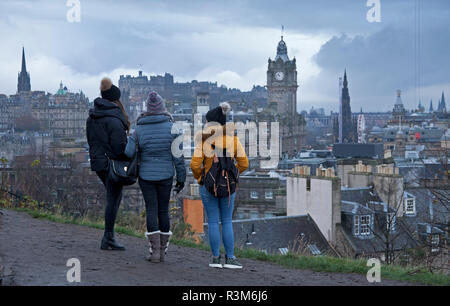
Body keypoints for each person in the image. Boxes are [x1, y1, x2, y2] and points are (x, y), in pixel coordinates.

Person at [125, 91, 186, 263]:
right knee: (163, 210)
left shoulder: (138, 129)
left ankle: (154, 252)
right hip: (166, 175)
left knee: (151, 210)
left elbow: (128, 152)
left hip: (146, 175)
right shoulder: (173, 129)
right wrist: (181, 179)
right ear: (162, 108)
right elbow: (179, 158)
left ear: (147, 109)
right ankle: (163, 250)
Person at [190, 102, 249, 269]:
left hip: (208, 187)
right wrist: (232, 174)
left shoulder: (204, 141)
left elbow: (195, 165)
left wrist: (201, 177)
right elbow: (244, 164)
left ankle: (215, 258)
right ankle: (230, 258)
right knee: (227, 221)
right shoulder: (234, 140)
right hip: (228, 187)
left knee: (213, 222)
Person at [86, 77, 131, 250]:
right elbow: (120, 148)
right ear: (116, 100)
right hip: (111, 163)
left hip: (98, 162)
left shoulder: (92, 116)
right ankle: (108, 237)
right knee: (113, 198)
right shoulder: (114, 119)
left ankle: (109, 236)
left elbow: (91, 141)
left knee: (112, 197)